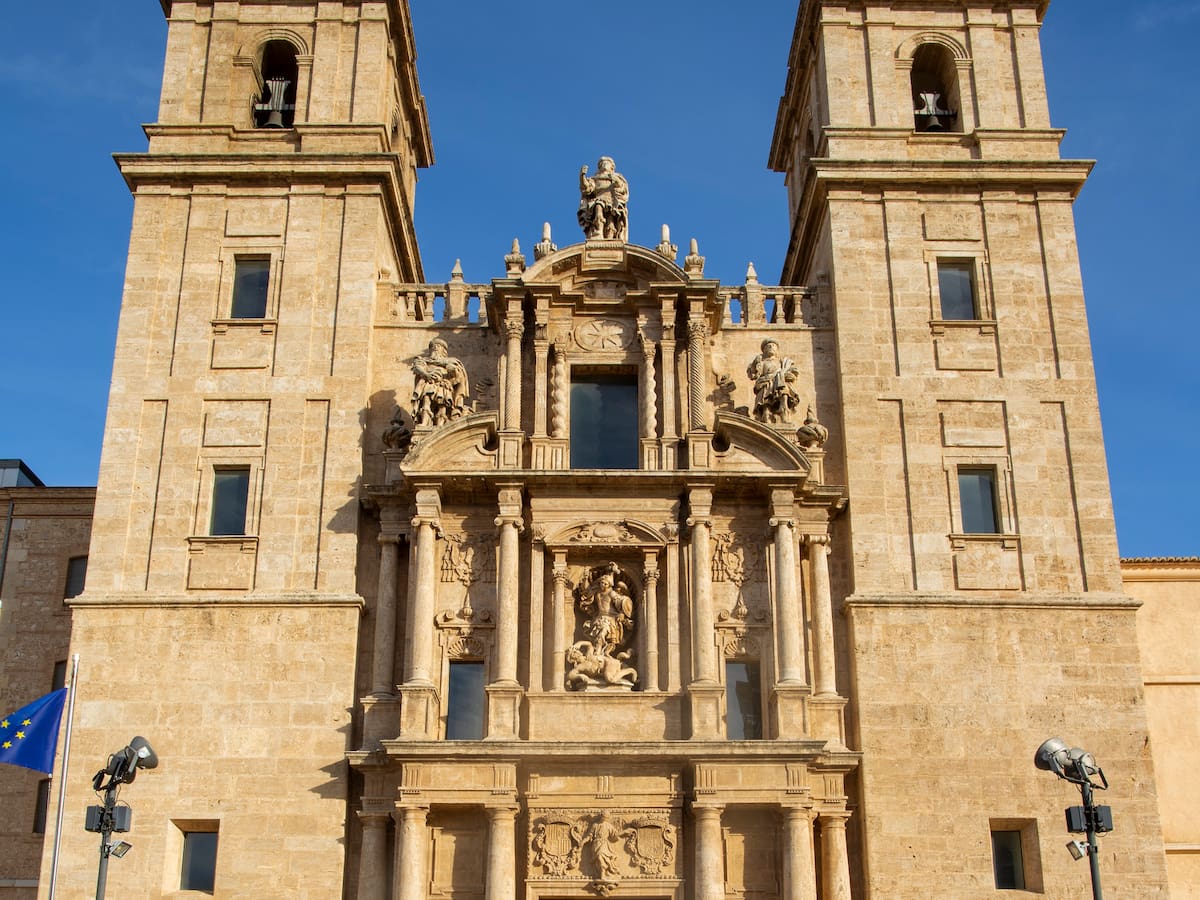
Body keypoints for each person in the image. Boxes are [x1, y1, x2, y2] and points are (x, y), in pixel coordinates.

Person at [411, 338, 469, 427]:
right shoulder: (424, 360)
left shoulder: (450, 361)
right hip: (429, 384)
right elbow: (417, 367)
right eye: (433, 346)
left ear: (444, 350)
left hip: (444, 386)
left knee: (442, 406)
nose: (436, 348)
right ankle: (424, 422)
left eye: (439, 346)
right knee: (426, 402)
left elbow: (457, 377)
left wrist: (452, 370)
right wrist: (427, 374)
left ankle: (440, 425)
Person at [747, 338, 801, 424]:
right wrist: (755, 363)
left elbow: (792, 371)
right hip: (765, 383)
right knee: (765, 399)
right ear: (764, 351)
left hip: (779, 382)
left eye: (773, 346)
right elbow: (753, 374)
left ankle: (784, 411)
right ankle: (766, 415)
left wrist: (785, 375)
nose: (771, 347)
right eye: (768, 346)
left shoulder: (782, 362)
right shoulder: (762, 362)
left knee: (784, 390)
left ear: (777, 350)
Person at [578, 156, 629, 241]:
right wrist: (582, 176)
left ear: (612, 166)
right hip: (598, 199)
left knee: (611, 219)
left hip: (613, 201)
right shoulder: (595, 179)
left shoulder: (617, 177)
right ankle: (598, 231)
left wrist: (616, 181)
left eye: (607, 163)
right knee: (598, 207)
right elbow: (587, 188)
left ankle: (610, 235)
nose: (604, 164)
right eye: (602, 163)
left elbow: (622, 189)